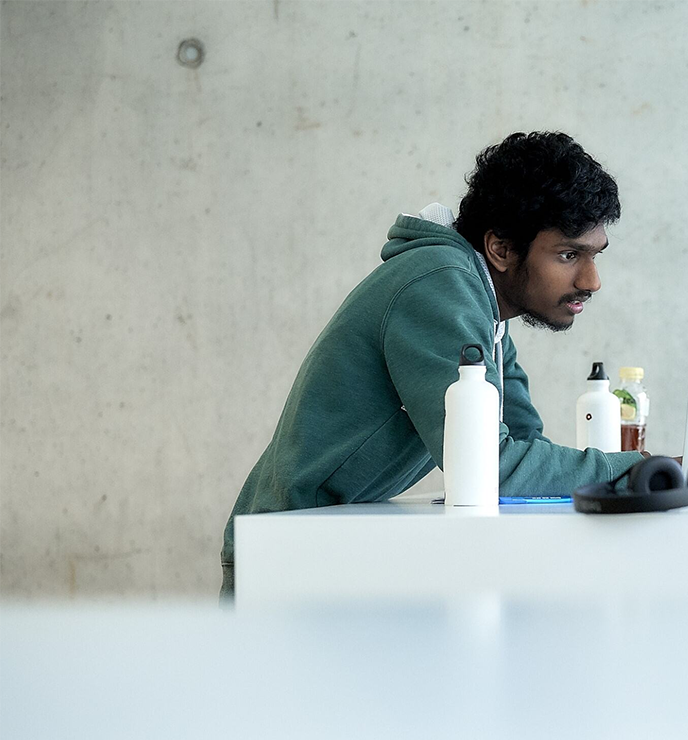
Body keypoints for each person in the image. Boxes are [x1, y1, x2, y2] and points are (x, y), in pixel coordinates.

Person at [220, 131, 645, 599]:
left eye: (594, 255)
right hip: (288, 554)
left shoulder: (483, 309)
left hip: (325, 542)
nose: (592, 280)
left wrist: (626, 473)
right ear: (502, 249)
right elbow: (491, 467)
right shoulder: (438, 283)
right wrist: (638, 471)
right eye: (569, 255)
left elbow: (521, 447)